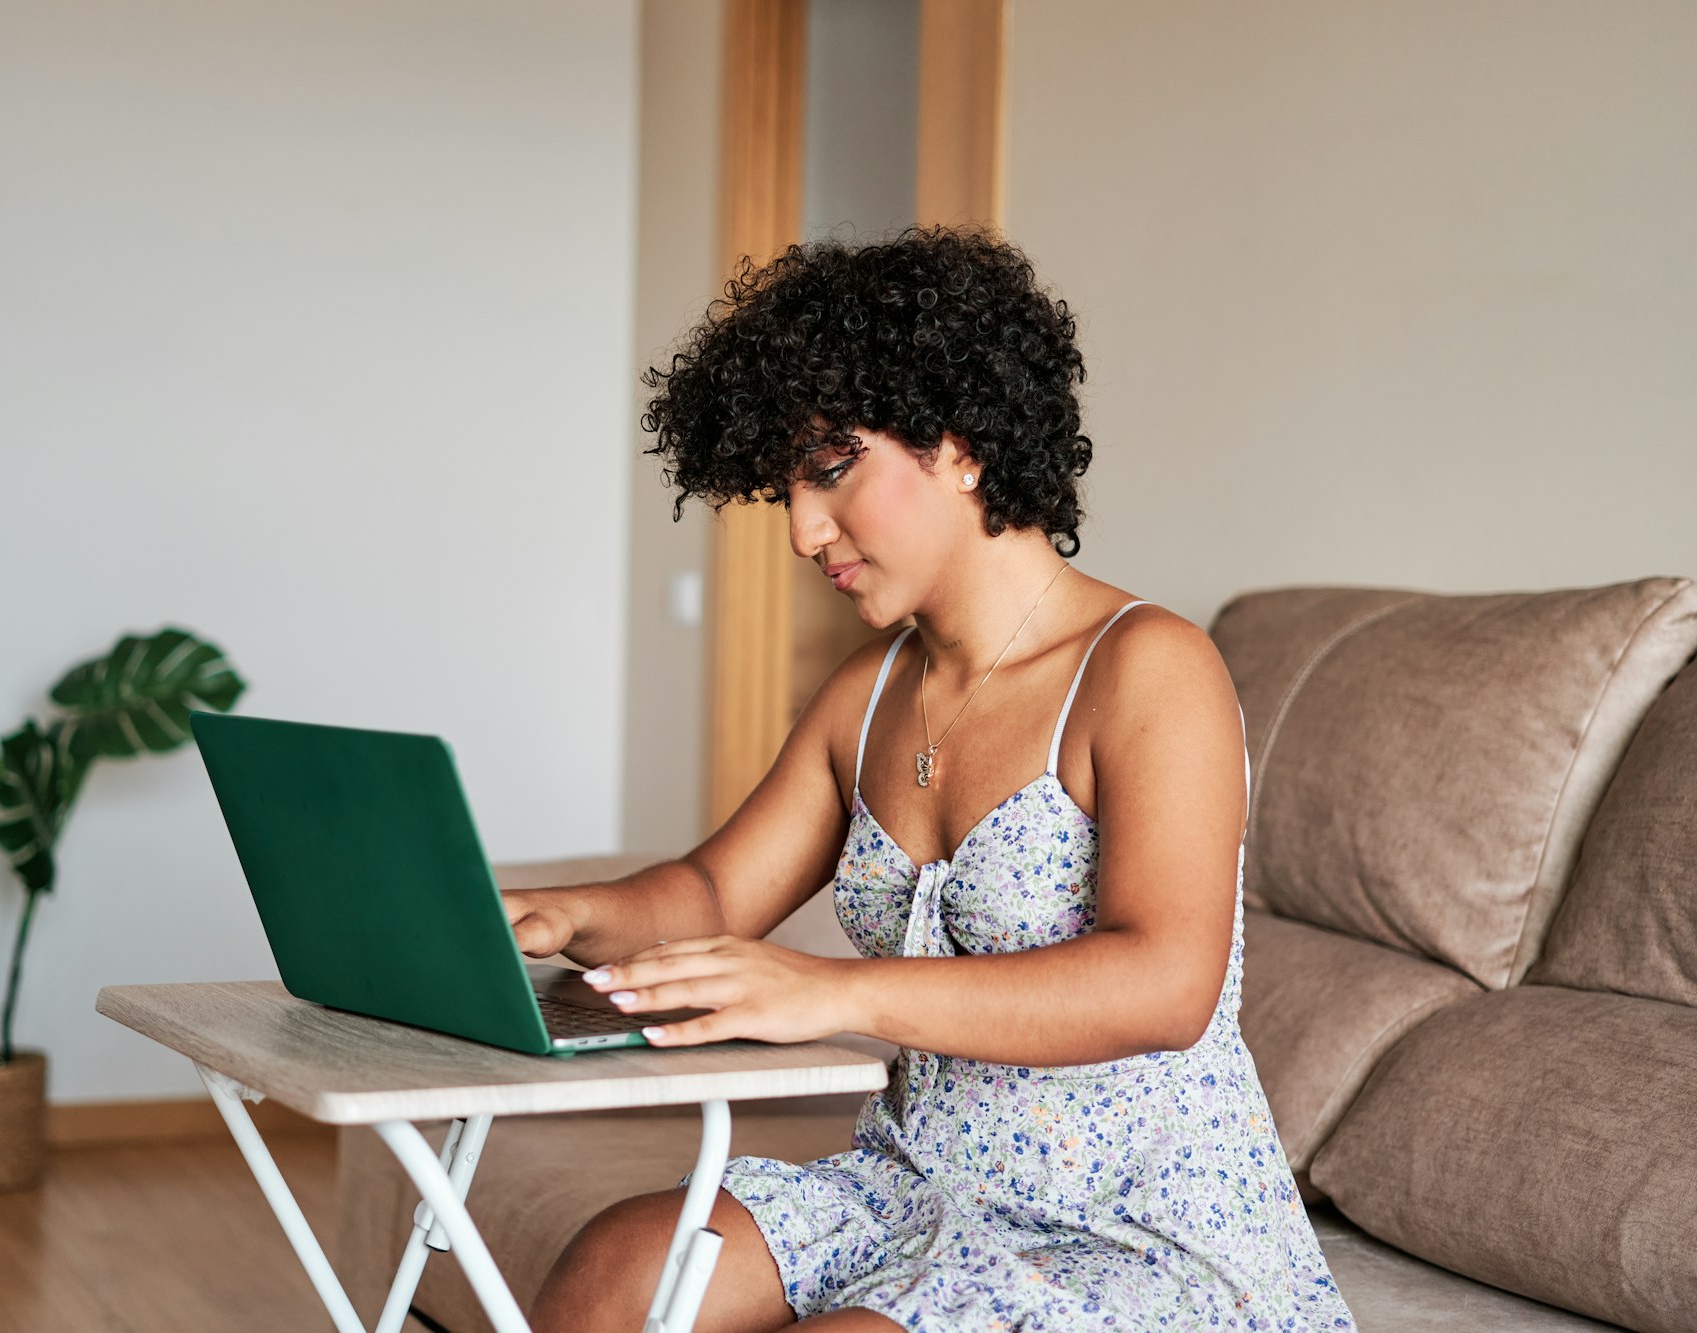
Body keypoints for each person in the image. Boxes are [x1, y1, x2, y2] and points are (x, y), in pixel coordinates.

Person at [503, 227, 1354, 1331]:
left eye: (828, 470)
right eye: (786, 492)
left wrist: (833, 990)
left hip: (1134, 1225)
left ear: (957, 442)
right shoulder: (866, 693)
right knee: (620, 1268)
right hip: (913, 1183)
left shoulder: (1148, 668)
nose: (804, 531)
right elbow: (710, 897)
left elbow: (1163, 982)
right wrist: (560, 913)